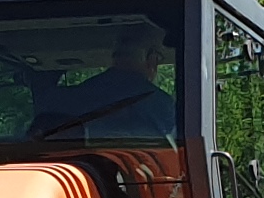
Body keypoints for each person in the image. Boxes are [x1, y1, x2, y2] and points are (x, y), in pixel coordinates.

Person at [33, 25, 172, 143]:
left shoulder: (64, 100)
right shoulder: (161, 104)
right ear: (152, 59)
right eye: (158, 59)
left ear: (115, 56)